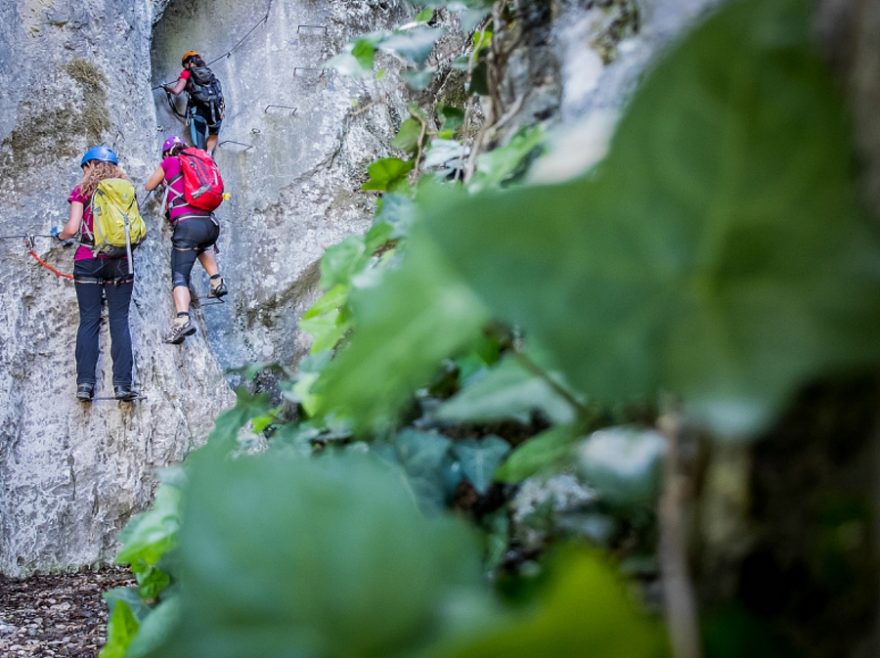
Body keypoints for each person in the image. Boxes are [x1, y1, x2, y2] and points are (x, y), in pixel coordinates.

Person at [51, 146, 137, 402]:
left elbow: (72, 228)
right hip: (121, 261)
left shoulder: (83, 189)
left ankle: (85, 385)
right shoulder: (126, 190)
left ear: (89, 165)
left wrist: (59, 235)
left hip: (88, 259)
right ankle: (122, 385)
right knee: (120, 321)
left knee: (89, 320)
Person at [145, 135, 227, 345]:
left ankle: (182, 320)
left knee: (180, 275)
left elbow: (148, 185)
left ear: (166, 152)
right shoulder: (199, 161)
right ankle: (216, 280)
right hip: (210, 225)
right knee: (202, 245)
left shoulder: (169, 162)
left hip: (187, 225)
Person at [164, 50, 224, 156]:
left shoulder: (186, 73)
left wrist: (166, 87)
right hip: (215, 111)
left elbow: (177, 91)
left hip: (198, 112)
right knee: (213, 134)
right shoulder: (208, 72)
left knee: (199, 145)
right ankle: (209, 153)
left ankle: (202, 157)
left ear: (187, 63)